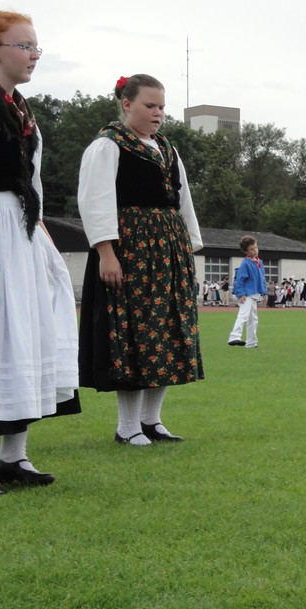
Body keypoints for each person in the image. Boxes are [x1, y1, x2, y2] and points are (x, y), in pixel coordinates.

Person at [0, 2, 79, 494]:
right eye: (26, 46)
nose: (35, 54)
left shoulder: (22, 111)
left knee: (25, 332)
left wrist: (40, 234)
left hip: (19, 229)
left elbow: (32, 180)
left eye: (38, 47)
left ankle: (13, 456)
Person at [77, 74, 203, 445]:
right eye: (150, 105)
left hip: (167, 250)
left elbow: (182, 201)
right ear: (127, 104)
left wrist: (188, 248)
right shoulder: (108, 144)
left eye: (161, 106)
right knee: (132, 333)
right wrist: (106, 253)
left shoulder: (167, 148)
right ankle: (128, 426)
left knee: (167, 331)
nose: (158, 113)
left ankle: (152, 420)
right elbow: (94, 199)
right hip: (129, 248)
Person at [227, 235, 267, 348]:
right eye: (252, 249)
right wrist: (240, 294)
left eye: (256, 248)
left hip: (254, 293)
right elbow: (239, 280)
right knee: (243, 315)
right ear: (246, 251)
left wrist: (264, 292)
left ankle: (251, 342)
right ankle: (234, 336)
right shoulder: (245, 263)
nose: (255, 251)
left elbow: (262, 279)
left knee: (253, 319)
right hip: (247, 294)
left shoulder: (259, 262)